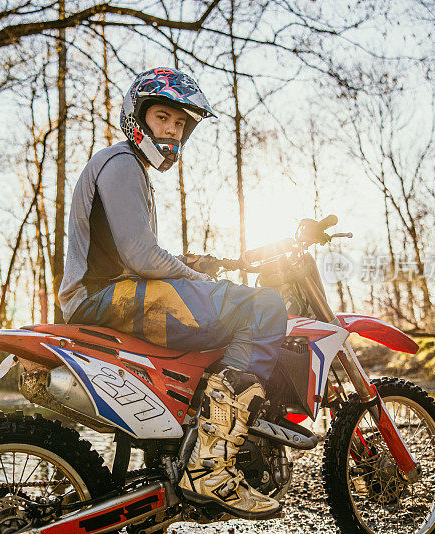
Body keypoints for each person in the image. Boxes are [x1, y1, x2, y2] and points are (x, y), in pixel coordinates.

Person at [58, 67, 287, 518]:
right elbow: (142, 255)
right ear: (137, 117)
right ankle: (212, 465)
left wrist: (190, 264)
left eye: (181, 124)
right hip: (106, 297)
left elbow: (130, 251)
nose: (172, 130)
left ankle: (165, 470)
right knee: (263, 306)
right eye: (163, 117)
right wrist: (198, 279)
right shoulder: (122, 162)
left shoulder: (124, 167)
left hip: (106, 294)